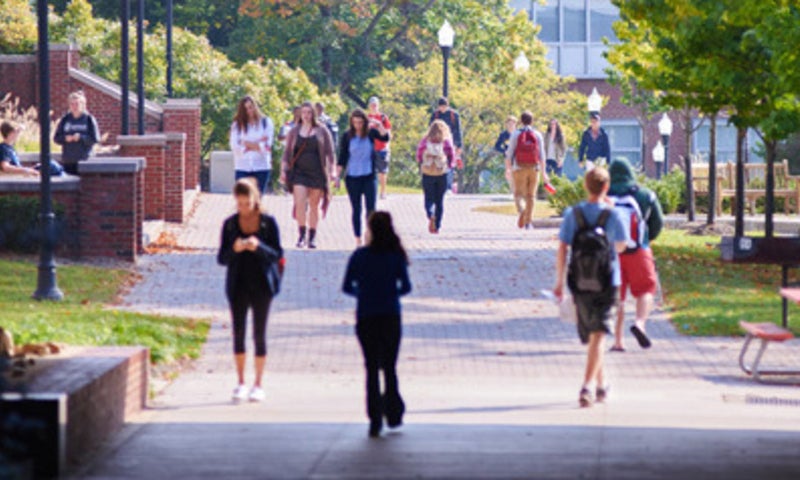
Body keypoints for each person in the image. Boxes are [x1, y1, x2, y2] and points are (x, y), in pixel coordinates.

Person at [553, 167, 627, 408]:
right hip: (608, 281)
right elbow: (622, 246)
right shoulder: (612, 215)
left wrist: (560, 282)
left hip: (580, 281)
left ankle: (599, 385)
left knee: (596, 334)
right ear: (606, 187)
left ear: (585, 186)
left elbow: (563, 247)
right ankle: (588, 387)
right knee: (598, 334)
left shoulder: (573, 215)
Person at [342, 211, 412, 438]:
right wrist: (391, 293)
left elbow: (347, 286)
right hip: (391, 315)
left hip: (366, 316)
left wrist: (363, 294)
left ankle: (374, 419)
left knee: (371, 367)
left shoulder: (360, 256)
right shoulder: (395, 256)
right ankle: (392, 412)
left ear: (370, 230)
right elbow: (406, 287)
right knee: (389, 367)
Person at [217, 178, 284, 403]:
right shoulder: (230, 224)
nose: (243, 208)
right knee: (238, 332)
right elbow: (222, 258)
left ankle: (258, 383)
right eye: (239, 204)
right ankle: (240, 382)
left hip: (262, 284)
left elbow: (277, 253)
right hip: (238, 284)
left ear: (255, 199)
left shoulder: (268, 223)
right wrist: (235, 249)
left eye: (247, 203)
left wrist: (259, 247)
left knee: (259, 333)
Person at [608, 158, 664, 352]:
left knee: (618, 297)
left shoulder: (604, 195)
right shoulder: (645, 195)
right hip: (639, 250)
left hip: (613, 253)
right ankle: (640, 323)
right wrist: (647, 239)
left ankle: (618, 341)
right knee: (646, 290)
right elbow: (657, 224)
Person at [280, 101, 336, 249]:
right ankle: (300, 235)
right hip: (299, 173)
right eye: (303, 113)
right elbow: (286, 153)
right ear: (300, 114)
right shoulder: (294, 131)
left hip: (317, 173)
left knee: (314, 205)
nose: (306, 116)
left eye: (309, 113)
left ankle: (312, 236)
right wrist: (283, 170)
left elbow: (330, 153)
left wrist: (333, 171)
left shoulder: (322, 130)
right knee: (299, 203)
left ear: (314, 114)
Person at [336, 109, 391, 247]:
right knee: (356, 209)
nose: (358, 125)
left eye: (360, 122)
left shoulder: (371, 133)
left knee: (371, 208)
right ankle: (358, 238)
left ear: (365, 122)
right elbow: (342, 157)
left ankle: (370, 236)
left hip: (369, 175)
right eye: (355, 122)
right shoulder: (347, 136)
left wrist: (379, 125)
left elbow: (385, 138)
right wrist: (337, 176)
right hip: (353, 177)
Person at [505, 111, 550, 230]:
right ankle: (528, 222)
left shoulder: (515, 134)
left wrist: (508, 169)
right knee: (531, 196)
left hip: (519, 168)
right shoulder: (537, 134)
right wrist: (544, 173)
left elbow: (509, 154)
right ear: (532, 121)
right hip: (534, 168)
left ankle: (522, 213)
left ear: (521, 121)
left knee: (518, 194)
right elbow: (542, 155)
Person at [416, 120, 456, 234]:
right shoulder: (446, 141)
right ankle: (437, 226)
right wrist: (450, 165)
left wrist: (420, 163)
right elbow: (451, 155)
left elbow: (419, 153)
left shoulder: (425, 140)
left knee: (428, 198)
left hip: (427, 173)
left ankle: (430, 214)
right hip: (441, 173)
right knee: (439, 201)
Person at [230, 96, 274, 195]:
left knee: (257, 200)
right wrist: (257, 143)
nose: (249, 111)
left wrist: (245, 143)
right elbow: (235, 147)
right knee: (243, 199)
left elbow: (267, 147)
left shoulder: (266, 123)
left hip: (261, 166)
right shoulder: (237, 125)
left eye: (251, 107)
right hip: (242, 166)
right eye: (245, 109)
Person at [53, 91, 100, 175]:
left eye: (77, 104)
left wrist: (81, 138)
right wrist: (65, 138)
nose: (74, 106)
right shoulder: (65, 119)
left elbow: (95, 139)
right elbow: (56, 138)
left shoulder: (88, 119)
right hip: (68, 160)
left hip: (85, 160)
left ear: (83, 105)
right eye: (72, 104)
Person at [429, 97, 463, 192]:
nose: (442, 109)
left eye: (444, 106)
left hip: (451, 142)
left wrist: (459, 145)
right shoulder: (435, 115)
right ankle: (439, 185)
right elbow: (430, 129)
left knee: (450, 164)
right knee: (438, 163)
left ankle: (448, 186)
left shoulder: (454, 115)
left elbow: (458, 130)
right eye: (441, 106)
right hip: (438, 143)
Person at [366, 97, 392, 200]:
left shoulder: (383, 118)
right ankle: (371, 191)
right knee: (370, 171)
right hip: (370, 148)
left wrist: (379, 126)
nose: (374, 107)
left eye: (375, 105)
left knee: (382, 171)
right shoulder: (366, 118)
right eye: (372, 105)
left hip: (382, 148)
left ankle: (383, 191)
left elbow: (388, 133)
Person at [495, 116, 518, 192]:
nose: (511, 125)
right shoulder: (503, 134)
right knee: (509, 173)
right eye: (509, 123)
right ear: (506, 124)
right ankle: (512, 189)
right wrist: (504, 151)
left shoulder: (518, 133)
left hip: (517, 156)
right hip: (507, 157)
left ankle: (518, 189)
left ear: (515, 124)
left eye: (512, 123)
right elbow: (497, 146)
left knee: (517, 172)